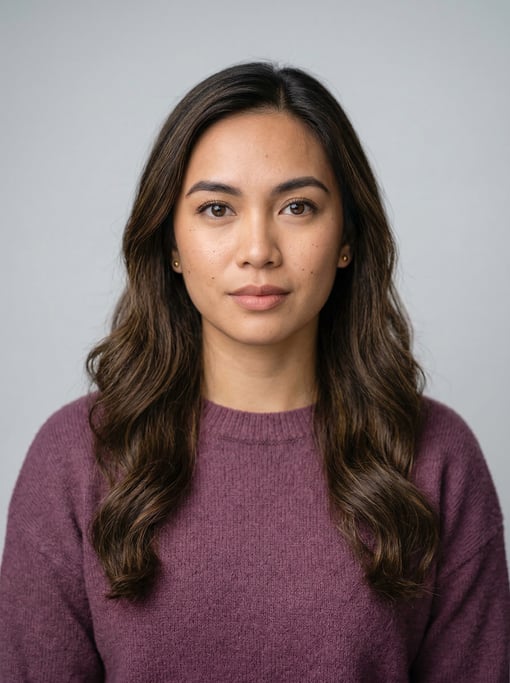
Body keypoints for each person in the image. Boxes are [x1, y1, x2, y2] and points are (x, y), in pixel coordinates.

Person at [0, 62, 508, 682]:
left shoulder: (437, 455)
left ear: (346, 236)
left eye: (297, 206)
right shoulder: (75, 456)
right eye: (217, 209)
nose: (259, 249)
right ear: (171, 245)